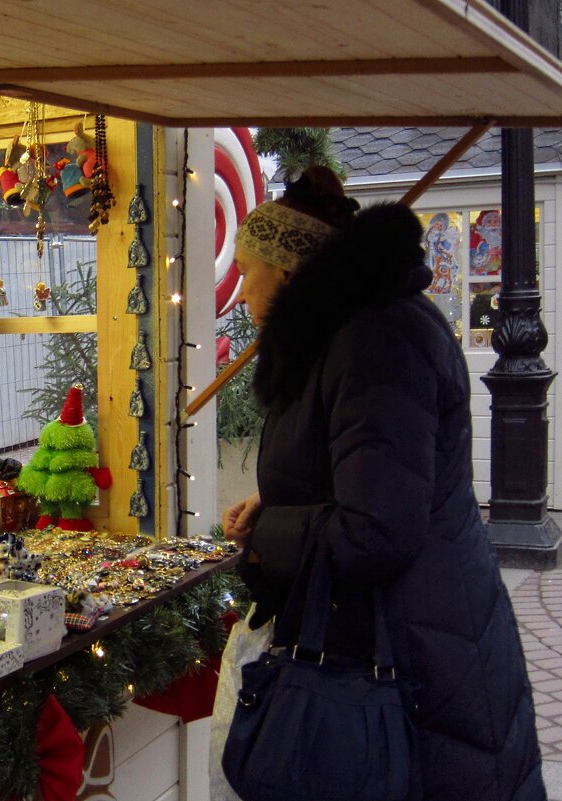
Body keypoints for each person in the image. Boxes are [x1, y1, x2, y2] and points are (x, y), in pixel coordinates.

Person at [221, 166, 544, 800]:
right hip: (412, 636)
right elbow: (364, 476)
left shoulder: (374, 342)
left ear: (286, 273)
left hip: (417, 658)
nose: (240, 292)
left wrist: (270, 531)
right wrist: (284, 503)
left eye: (245, 269)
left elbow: (377, 530)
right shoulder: (352, 332)